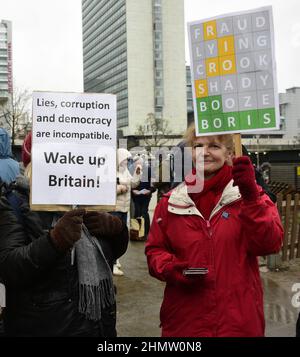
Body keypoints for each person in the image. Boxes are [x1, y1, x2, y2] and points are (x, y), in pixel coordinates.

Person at [145, 124, 283, 337]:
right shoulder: (171, 201)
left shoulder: (249, 196)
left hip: (237, 323)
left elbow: (270, 244)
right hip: (185, 324)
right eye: (198, 146)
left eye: (214, 146)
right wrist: (172, 269)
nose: (205, 152)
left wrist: (251, 197)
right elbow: (154, 251)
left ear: (230, 153)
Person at [0, 134, 129, 337]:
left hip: (98, 328)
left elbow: (110, 255)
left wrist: (118, 231)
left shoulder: (89, 199)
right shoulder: (15, 202)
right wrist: (54, 242)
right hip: (46, 327)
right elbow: (8, 267)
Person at [111, 148, 141, 276]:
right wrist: (119, 189)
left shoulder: (126, 173)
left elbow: (133, 184)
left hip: (124, 209)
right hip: (115, 209)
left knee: (120, 235)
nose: (126, 162)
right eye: (124, 160)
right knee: (113, 235)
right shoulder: (112, 172)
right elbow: (106, 190)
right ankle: (112, 262)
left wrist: (137, 174)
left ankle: (116, 259)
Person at [131, 156, 156, 239]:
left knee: (144, 212)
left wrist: (150, 190)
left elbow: (153, 183)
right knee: (137, 212)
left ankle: (146, 233)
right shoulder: (132, 170)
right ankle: (137, 233)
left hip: (146, 196)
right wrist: (133, 190)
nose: (138, 165)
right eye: (136, 164)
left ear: (142, 162)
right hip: (136, 196)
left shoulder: (149, 169)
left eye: (139, 163)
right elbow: (130, 183)